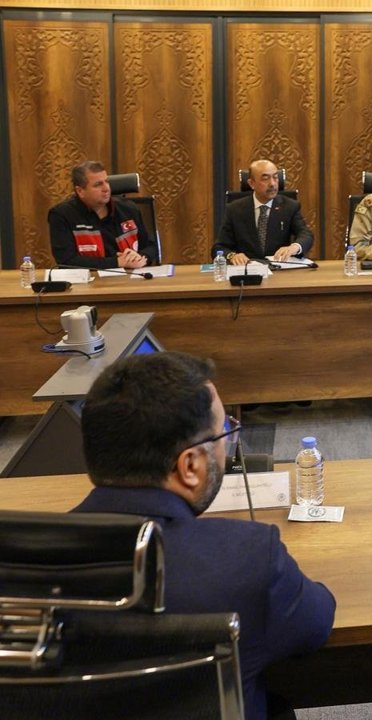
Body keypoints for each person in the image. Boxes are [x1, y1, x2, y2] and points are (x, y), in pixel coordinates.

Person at [71, 352, 335, 720]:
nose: (229, 442)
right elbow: (316, 625)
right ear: (191, 466)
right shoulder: (250, 557)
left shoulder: (16, 557)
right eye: (225, 430)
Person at [48, 161, 159, 270]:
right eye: (98, 185)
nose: (106, 188)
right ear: (80, 191)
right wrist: (116, 262)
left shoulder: (129, 209)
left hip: (131, 276)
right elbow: (66, 260)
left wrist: (141, 257)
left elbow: (151, 246)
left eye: (107, 182)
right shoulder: (62, 215)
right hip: (90, 279)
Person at [212, 159, 314, 265]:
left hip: (279, 269)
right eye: (265, 179)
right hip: (248, 269)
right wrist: (232, 256)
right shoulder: (235, 209)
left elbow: (306, 235)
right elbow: (219, 247)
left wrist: (294, 247)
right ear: (251, 183)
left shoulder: (289, 206)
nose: (272, 183)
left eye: (275, 177)